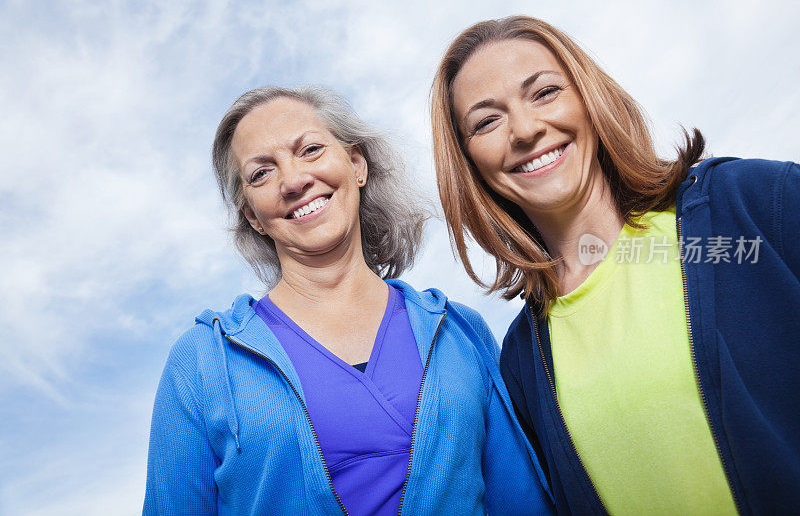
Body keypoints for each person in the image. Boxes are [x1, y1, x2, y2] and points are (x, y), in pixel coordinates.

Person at [431, 15, 800, 515]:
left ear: (588, 97)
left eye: (544, 93)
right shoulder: (521, 360)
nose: (525, 129)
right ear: (469, 161)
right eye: (487, 121)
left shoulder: (749, 207)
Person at [143, 85, 553, 515]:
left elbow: (522, 503)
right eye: (261, 173)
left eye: (311, 150)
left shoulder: (459, 331)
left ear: (357, 164)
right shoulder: (203, 361)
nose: (294, 180)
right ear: (253, 217)